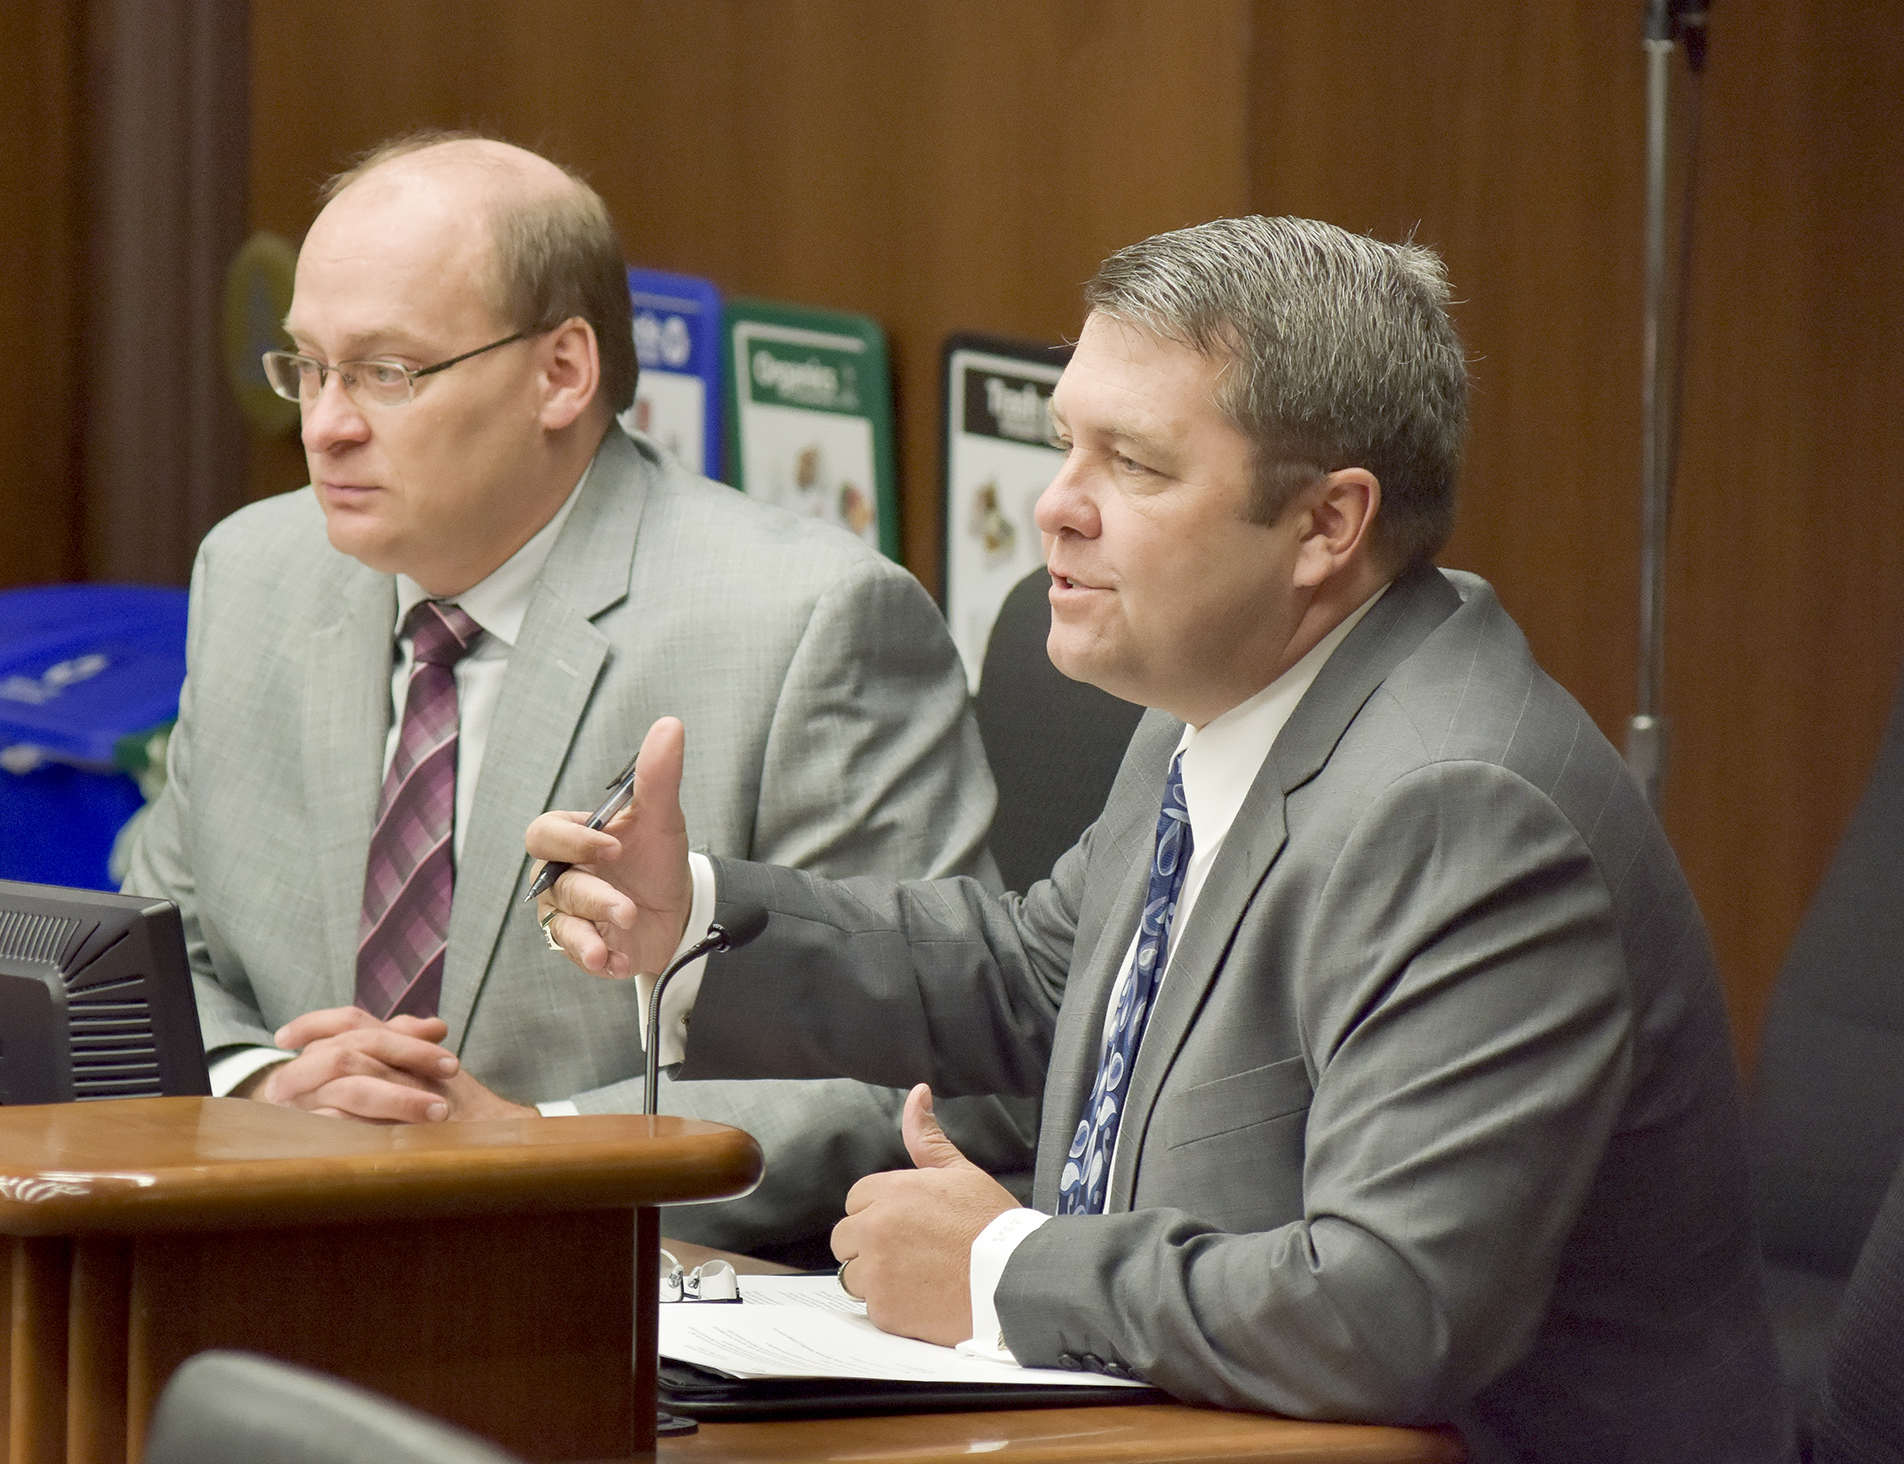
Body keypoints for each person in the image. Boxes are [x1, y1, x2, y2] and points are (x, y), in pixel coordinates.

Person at [529, 217, 1792, 1459]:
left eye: (1131, 465)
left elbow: (1390, 1310)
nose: (1055, 509)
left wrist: (1002, 1267)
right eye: (1063, 444)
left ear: (1325, 527)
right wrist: (686, 918)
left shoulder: (1463, 810)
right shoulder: (1227, 694)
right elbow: (1039, 976)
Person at [124, 131, 1035, 1256]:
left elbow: (946, 1076)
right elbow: (165, 946)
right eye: (306, 367)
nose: (326, 424)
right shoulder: (255, 573)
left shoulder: (808, 622)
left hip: (614, 1305)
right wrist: (268, 1086)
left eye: (386, 372)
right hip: (275, 1257)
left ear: (562, 371)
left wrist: (530, 1149)